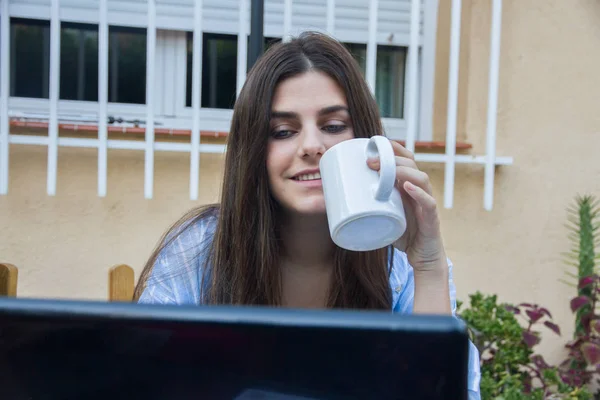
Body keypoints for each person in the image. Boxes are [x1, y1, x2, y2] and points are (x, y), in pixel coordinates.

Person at [135, 31, 480, 398]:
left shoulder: (398, 263)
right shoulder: (201, 251)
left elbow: (441, 393)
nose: (312, 146)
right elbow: (144, 385)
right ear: (253, 151)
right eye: (283, 131)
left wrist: (428, 264)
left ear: (366, 140)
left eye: (333, 126)